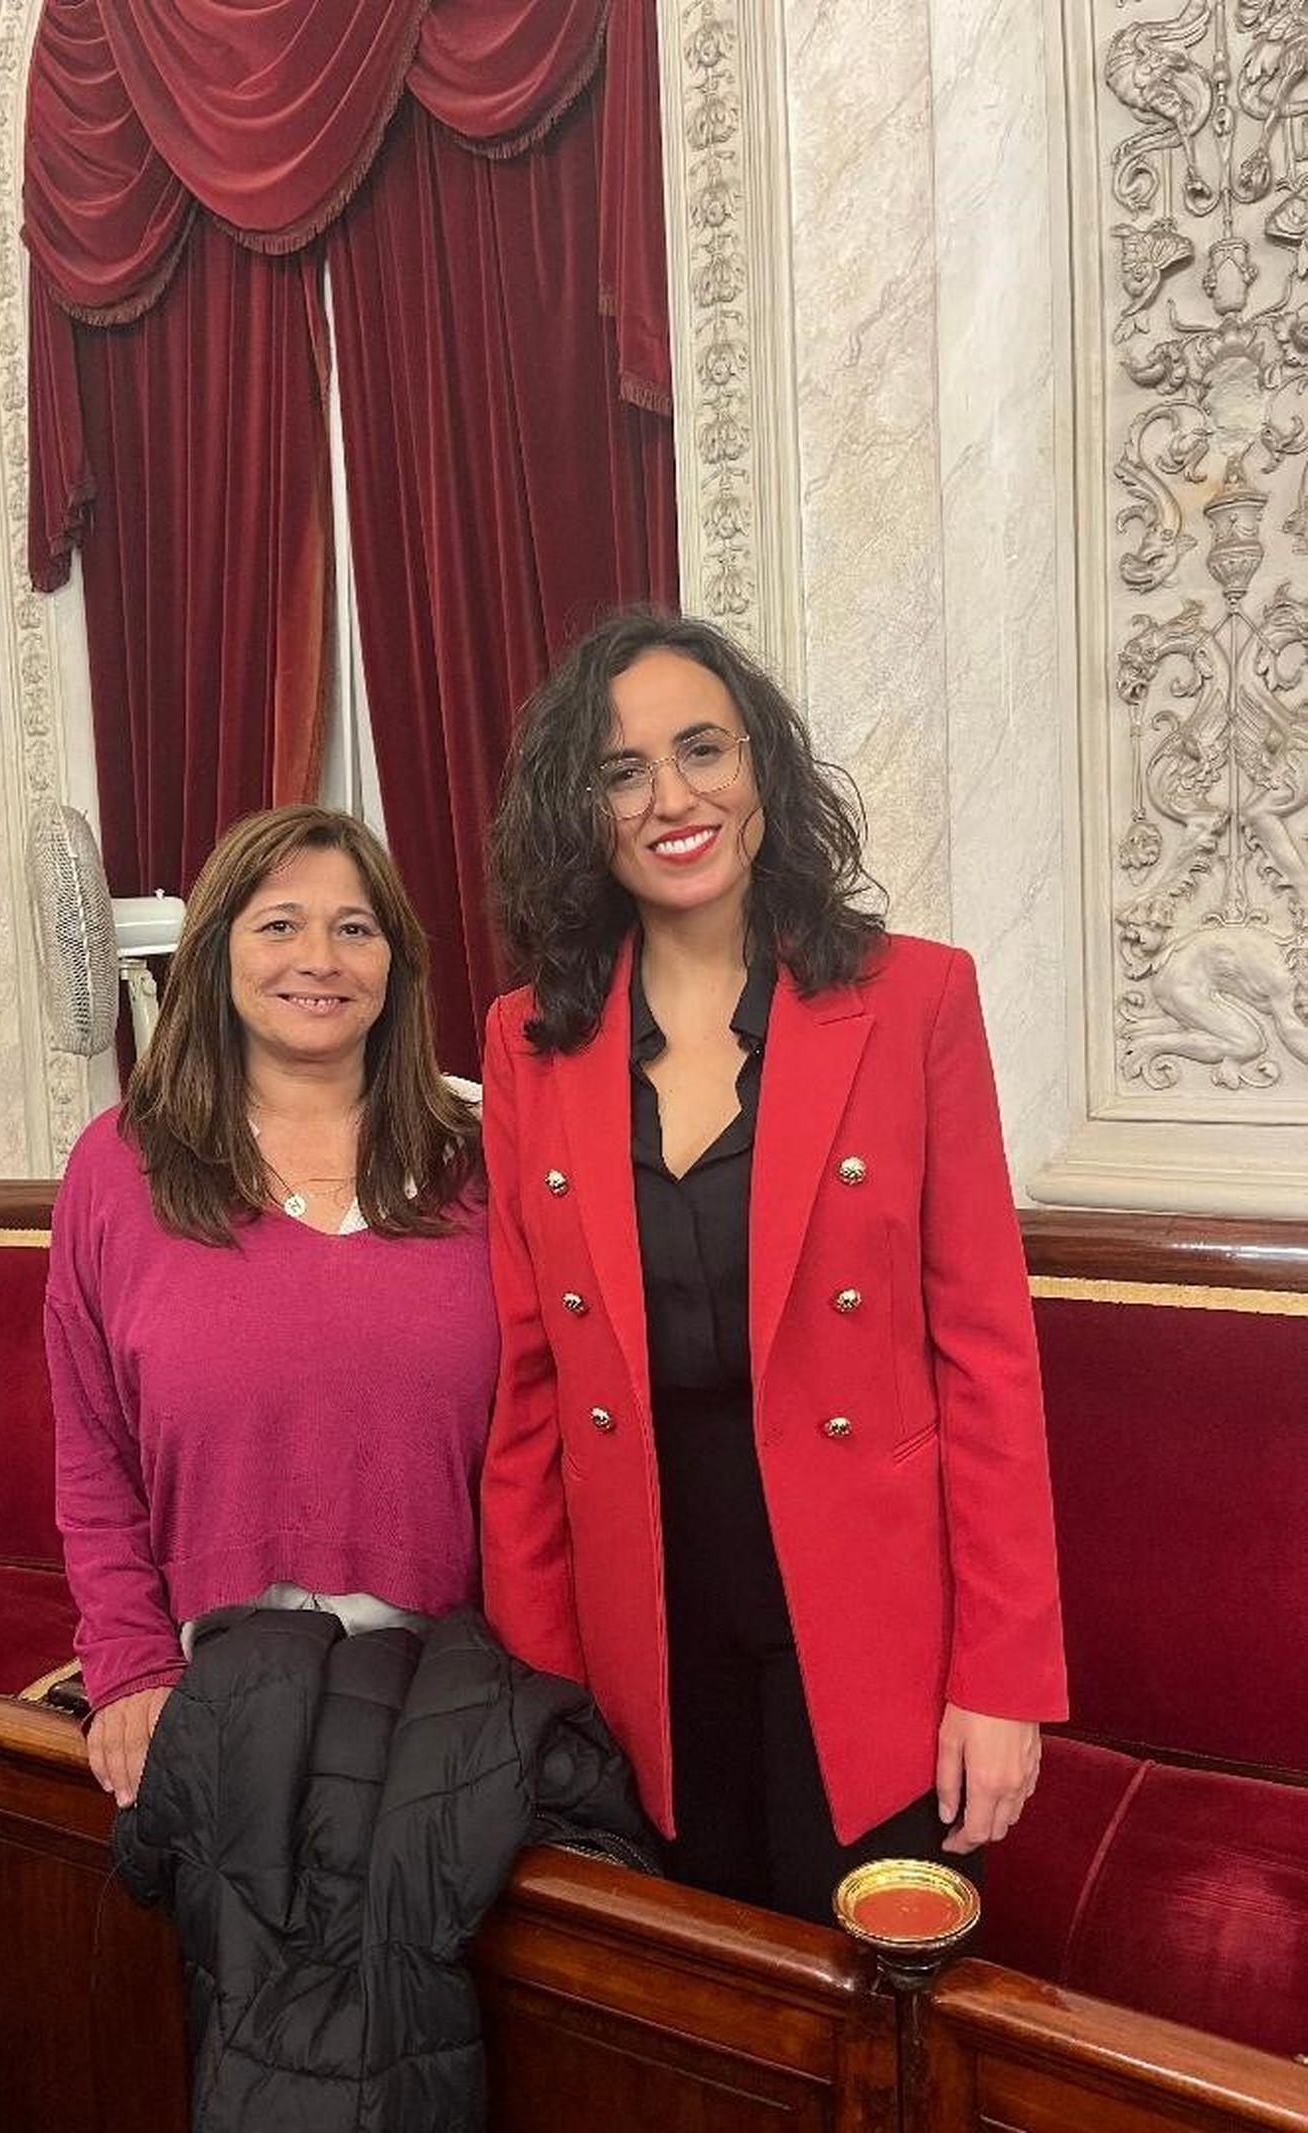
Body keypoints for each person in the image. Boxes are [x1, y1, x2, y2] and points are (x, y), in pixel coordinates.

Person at [479, 610, 1067, 1924]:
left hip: (874, 1634)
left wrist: (1004, 1678)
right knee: (696, 2016)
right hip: (647, 1636)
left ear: (764, 772)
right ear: (581, 810)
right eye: (621, 770)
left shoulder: (916, 999)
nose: (672, 798)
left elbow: (986, 1357)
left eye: (703, 750)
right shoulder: (528, 1043)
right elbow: (529, 1398)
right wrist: (538, 1694)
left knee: (872, 2026)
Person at [46, 804, 498, 1809]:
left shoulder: (487, 1157)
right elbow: (92, 1452)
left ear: (395, 963)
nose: (320, 958)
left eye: (354, 927)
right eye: (279, 923)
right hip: (215, 1677)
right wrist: (128, 1666)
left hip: (451, 1683)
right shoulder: (121, 1166)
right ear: (216, 954)